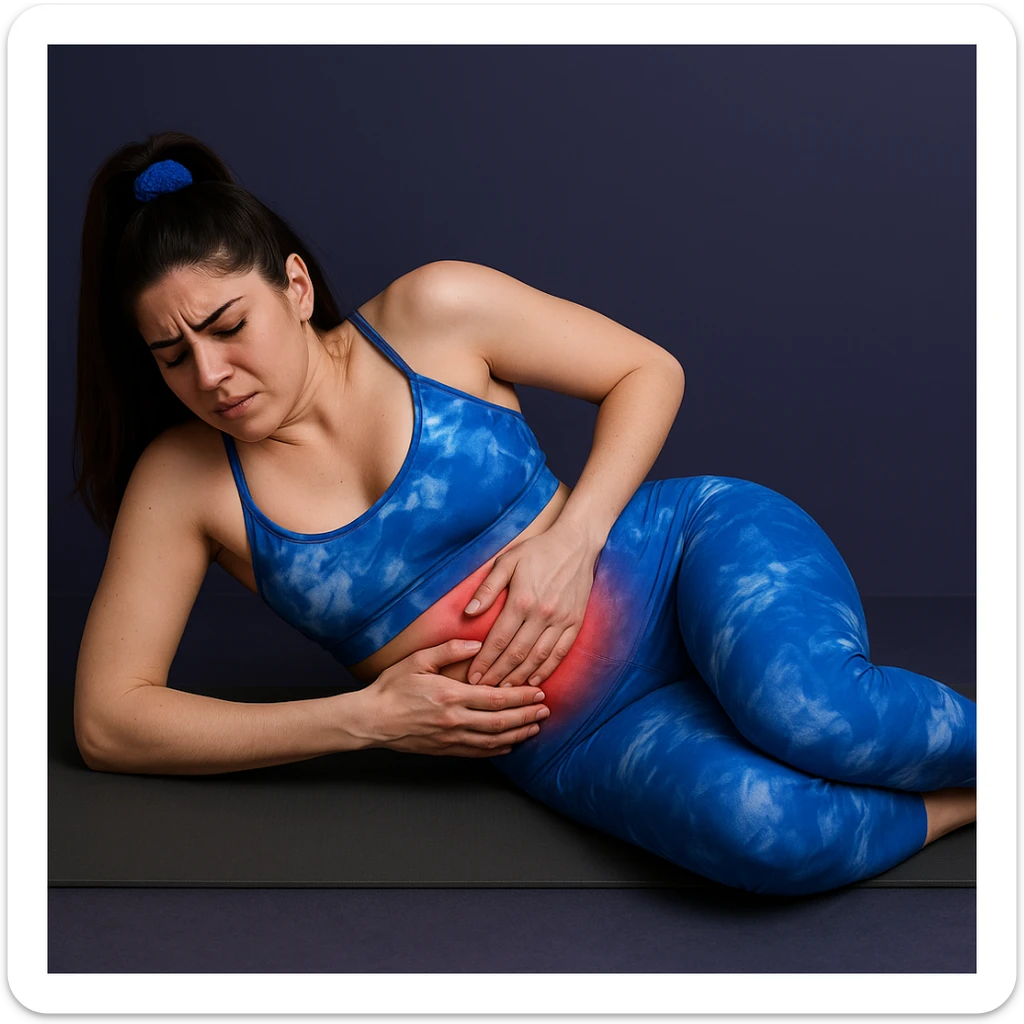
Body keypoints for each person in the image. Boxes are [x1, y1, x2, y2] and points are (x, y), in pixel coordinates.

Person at [71, 131, 976, 897]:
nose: (211, 375)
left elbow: (647, 370)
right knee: (765, 835)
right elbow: (109, 722)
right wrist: (362, 719)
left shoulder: (435, 312)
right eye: (171, 356)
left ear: (296, 288)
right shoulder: (186, 481)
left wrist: (574, 541)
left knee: (820, 718)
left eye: (227, 325)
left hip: (674, 562)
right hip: (575, 736)